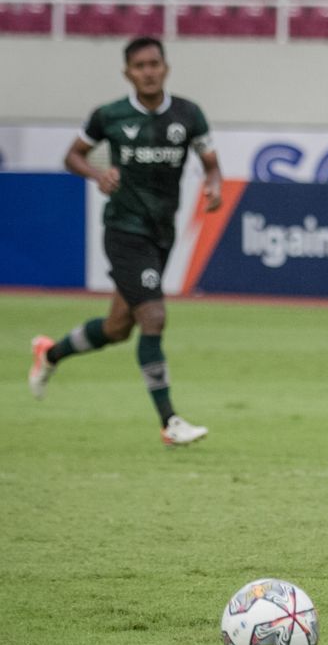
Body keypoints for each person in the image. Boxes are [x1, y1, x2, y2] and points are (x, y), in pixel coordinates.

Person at [28, 36, 222, 446]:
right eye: (140, 66)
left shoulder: (188, 115)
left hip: (162, 232)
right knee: (154, 317)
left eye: (154, 64)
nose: (148, 72)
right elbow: (72, 156)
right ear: (127, 73)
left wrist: (215, 185)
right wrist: (97, 174)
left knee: (118, 327)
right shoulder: (109, 115)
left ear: (165, 67)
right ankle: (169, 422)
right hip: (124, 229)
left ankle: (49, 354)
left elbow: (210, 162)